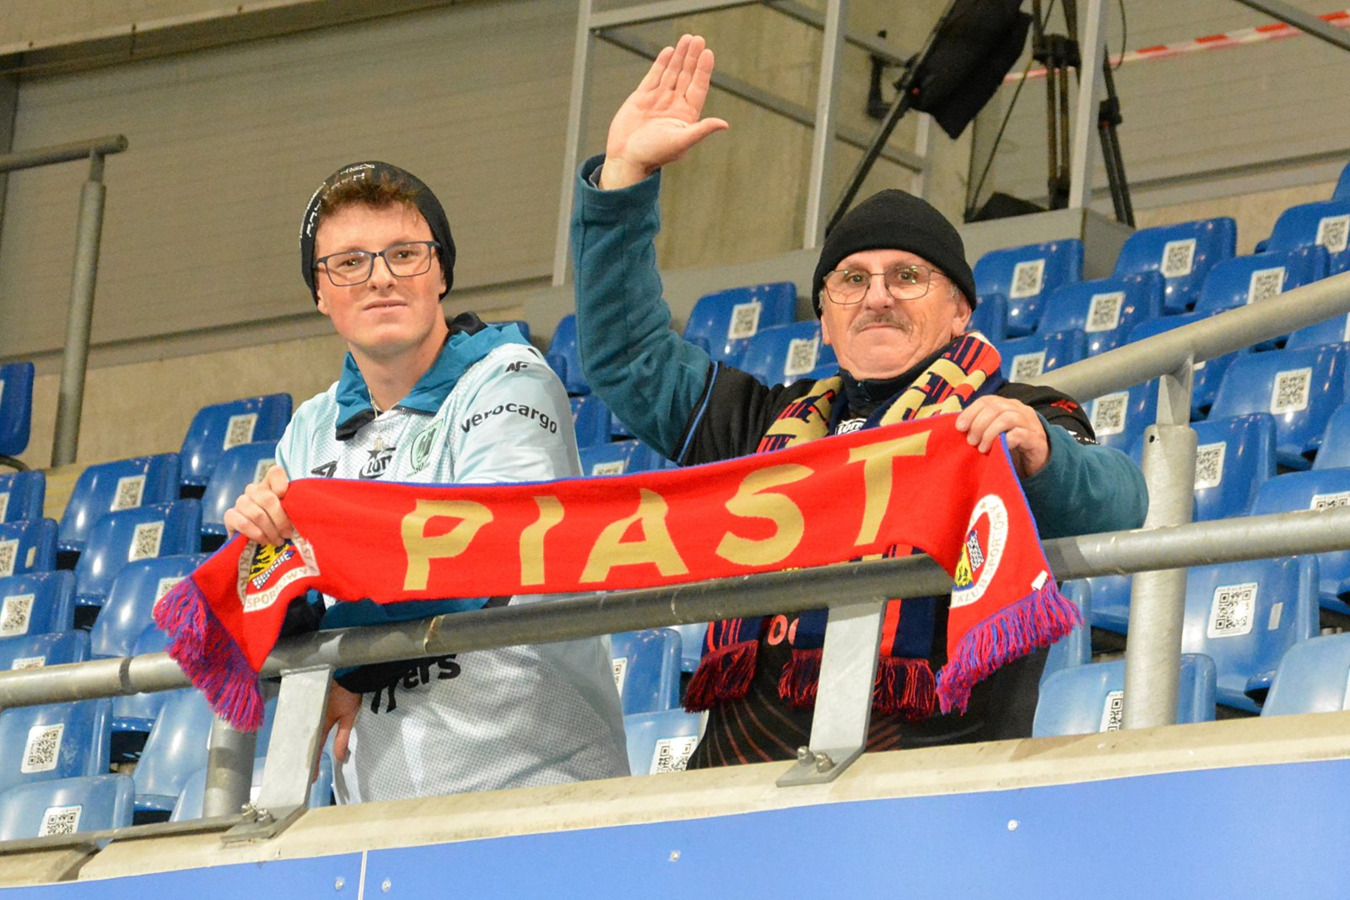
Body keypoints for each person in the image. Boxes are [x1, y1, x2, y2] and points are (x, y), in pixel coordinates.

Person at [570, 35, 1148, 768]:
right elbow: (628, 357)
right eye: (851, 279)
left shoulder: (1008, 415)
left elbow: (1121, 503)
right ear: (824, 318)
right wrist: (624, 179)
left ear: (961, 311)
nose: (877, 296)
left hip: (928, 793)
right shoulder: (760, 427)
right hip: (736, 791)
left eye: (907, 276)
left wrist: (1041, 453)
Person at [224, 160, 629, 801]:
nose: (380, 277)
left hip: (538, 786)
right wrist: (263, 551)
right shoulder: (309, 429)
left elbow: (485, 553)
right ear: (320, 293)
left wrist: (347, 669)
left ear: (441, 272)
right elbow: (288, 612)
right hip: (378, 815)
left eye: (405, 254)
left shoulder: (508, 380)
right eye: (349, 263)